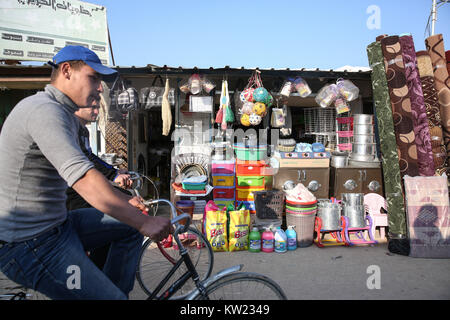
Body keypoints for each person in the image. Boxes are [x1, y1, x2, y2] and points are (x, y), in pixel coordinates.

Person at [0, 45, 173, 300]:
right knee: (137, 222)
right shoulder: (44, 110)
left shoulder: (66, 116)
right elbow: (84, 179)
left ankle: (112, 292)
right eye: (94, 77)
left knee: (130, 224)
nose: (100, 87)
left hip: (59, 225)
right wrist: (146, 222)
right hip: (31, 244)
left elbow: (91, 164)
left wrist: (130, 207)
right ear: (67, 71)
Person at [66, 99, 134, 270]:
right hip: (72, 194)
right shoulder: (69, 127)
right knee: (117, 220)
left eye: (98, 108)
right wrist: (113, 174)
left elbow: (91, 156)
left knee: (122, 207)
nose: (96, 112)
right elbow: (84, 161)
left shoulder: (83, 130)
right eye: (93, 107)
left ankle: (98, 269)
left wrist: (115, 172)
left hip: (81, 190)